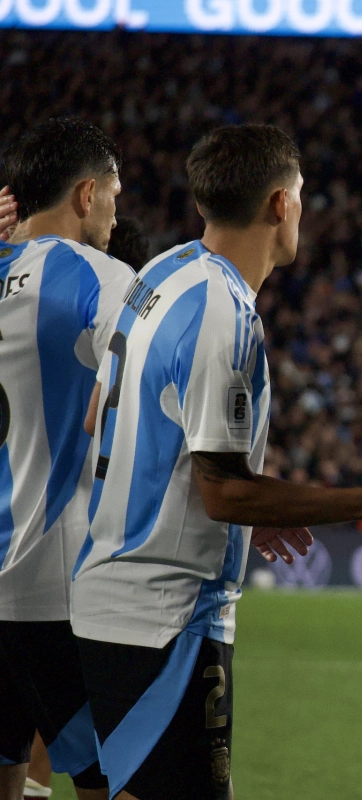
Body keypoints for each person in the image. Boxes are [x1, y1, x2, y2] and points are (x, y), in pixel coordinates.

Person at [69, 124, 362, 800]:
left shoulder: (165, 270)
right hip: (167, 613)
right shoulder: (221, 312)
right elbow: (225, 495)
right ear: (278, 203)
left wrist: (247, 506)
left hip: (110, 596)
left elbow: (108, 418)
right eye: (300, 195)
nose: (303, 209)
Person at [0, 116, 134, 800]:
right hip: (52, 579)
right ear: (86, 195)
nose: (116, 208)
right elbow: (128, 399)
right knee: (108, 778)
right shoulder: (100, 277)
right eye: (114, 191)